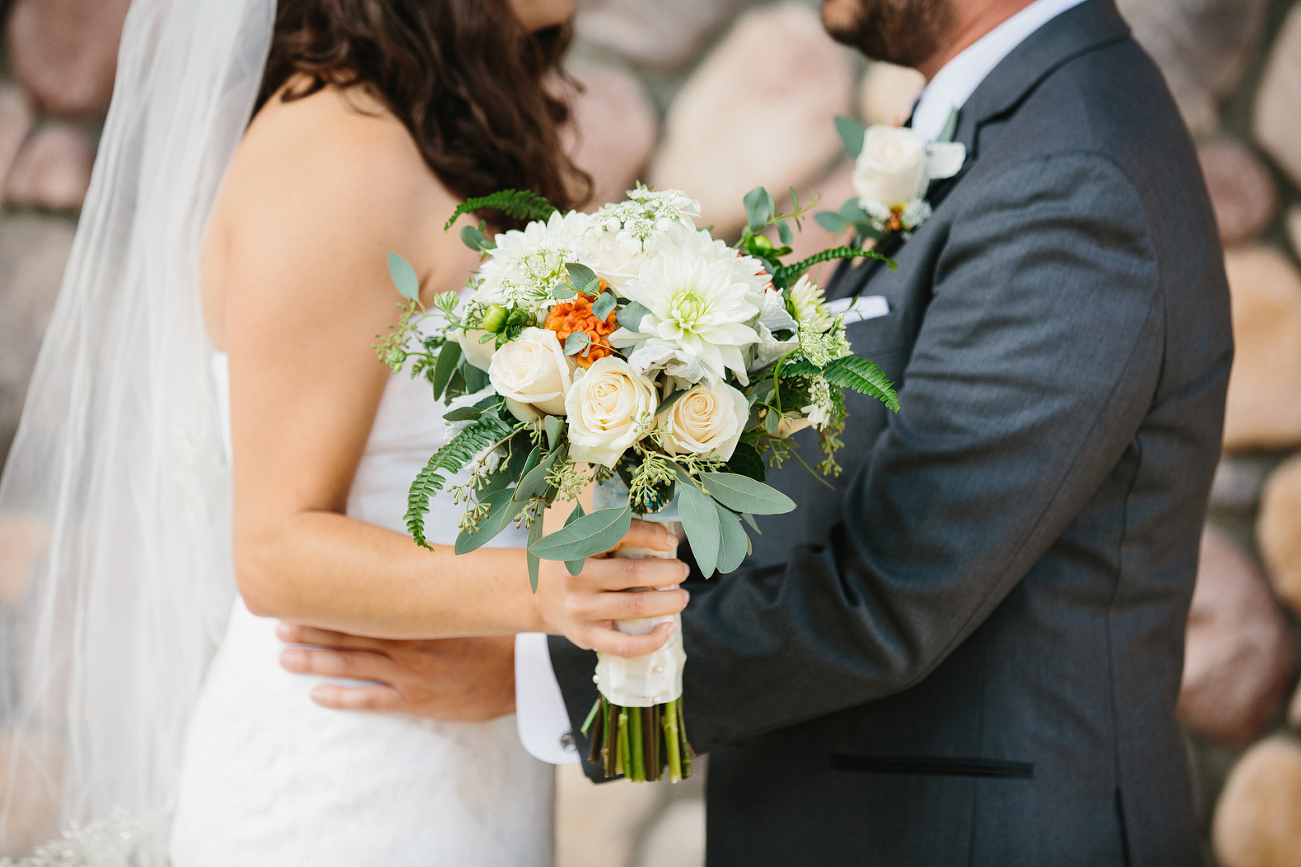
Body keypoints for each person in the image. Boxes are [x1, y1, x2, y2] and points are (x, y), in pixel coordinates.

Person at [291, 0, 1232, 863]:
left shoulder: (1070, 171)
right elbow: (837, 498)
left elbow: (895, 587)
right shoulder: (1006, 129)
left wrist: (549, 672)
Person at [0, 0, 687, 863]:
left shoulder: (442, 135)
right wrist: (548, 594)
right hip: (342, 781)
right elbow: (275, 549)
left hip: (462, 766)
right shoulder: (335, 148)